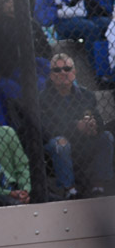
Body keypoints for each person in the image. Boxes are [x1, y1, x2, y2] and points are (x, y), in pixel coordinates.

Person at [39, 54, 114, 198]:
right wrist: (76, 126)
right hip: (60, 143)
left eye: (67, 69)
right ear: (51, 75)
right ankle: (70, 190)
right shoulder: (43, 98)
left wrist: (93, 125)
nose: (63, 72)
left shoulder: (87, 95)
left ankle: (99, 186)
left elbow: (99, 120)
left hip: (85, 141)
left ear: (74, 72)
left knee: (106, 136)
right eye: (57, 70)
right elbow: (47, 128)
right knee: (60, 143)